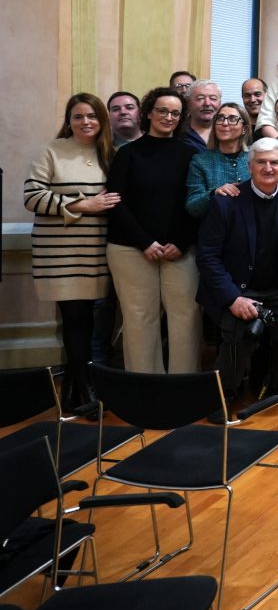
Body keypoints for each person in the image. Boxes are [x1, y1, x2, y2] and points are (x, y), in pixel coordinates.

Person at [195, 138, 278, 406]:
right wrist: (232, 299)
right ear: (250, 166)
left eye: (275, 162)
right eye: (261, 162)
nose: (268, 168)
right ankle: (223, 396)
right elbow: (208, 257)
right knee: (238, 337)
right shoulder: (227, 201)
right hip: (238, 290)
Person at [25, 93, 118, 411]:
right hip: (60, 254)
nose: (85, 122)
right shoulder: (52, 151)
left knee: (90, 324)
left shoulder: (111, 154)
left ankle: (73, 392)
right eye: (78, 116)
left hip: (97, 253)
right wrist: (83, 205)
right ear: (69, 120)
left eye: (92, 116)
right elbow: (32, 197)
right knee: (75, 319)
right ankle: (88, 390)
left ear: (101, 120)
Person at [105, 87, 201, 373]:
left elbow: (196, 205)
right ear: (148, 113)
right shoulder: (127, 154)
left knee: (186, 317)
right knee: (139, 319)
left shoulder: (191, 154)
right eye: (162, 111)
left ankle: (183, 388)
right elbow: (115, 203)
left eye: (175, 113)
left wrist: (180, 243)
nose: (168, 117)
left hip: (179, 250)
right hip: (131, 249)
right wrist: (145, 242)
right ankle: (144, 389)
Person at [185, 101, 250, 217]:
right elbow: (192, 207)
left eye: (232, 119)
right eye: (220, 118)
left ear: (244, 129)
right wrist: (214, 193)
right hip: (216, 230)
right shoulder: (200, 161)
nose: (225, 123)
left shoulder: (255, 156)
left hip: (252, 228)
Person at [177, 79, 221, 150]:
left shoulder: (227, 131)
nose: (207, 103)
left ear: (219, 103)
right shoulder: (177, 133)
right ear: (188, 103)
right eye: (200, 98)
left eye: (213, 98)